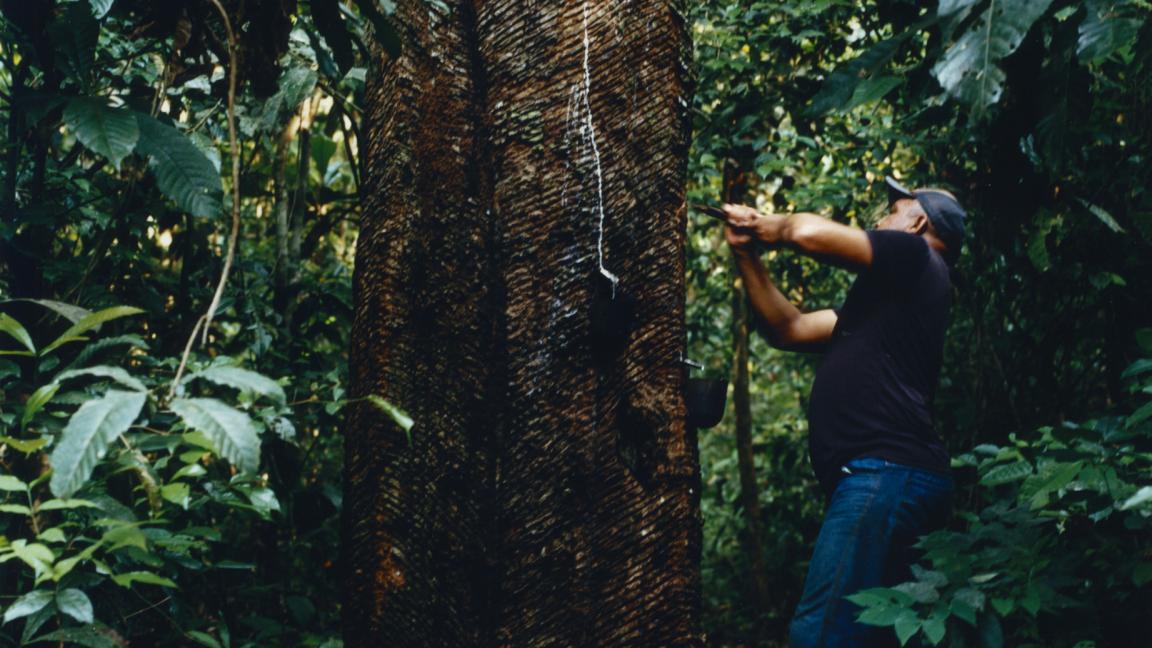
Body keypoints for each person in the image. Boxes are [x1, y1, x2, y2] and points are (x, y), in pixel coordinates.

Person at [721, 176, 967, 647]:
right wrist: (746, 255)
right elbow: (790, 328)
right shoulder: (890, 303)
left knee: (821, 634)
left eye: (893, 210)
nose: (882, 218)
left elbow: (807, 233)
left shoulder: (919, 256)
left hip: (884, 476)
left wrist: (768, 224)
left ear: (918, 223)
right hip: (896, 480)